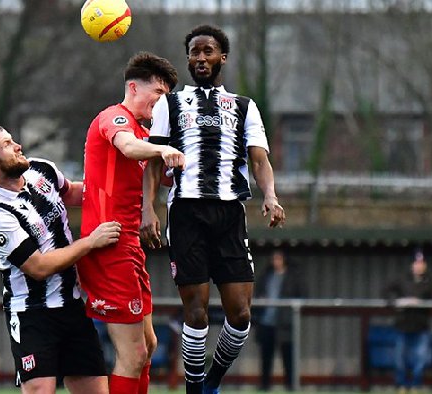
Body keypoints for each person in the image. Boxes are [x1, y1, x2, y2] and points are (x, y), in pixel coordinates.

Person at [140, 25, 286, 394]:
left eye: (208, 51)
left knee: (240, 315)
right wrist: (149, 209)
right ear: (187, 59)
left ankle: (211, 381)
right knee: (197, 312)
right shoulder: (168, 105)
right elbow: (154, 162)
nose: (201, 58)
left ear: (222, 57)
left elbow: (259, 160)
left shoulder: (243, 106)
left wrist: (270, 194)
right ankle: (194, 389)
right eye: (194, 52)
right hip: (187, 212)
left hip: (230, 213)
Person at [0, 124, 121, 394]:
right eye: (7, 145)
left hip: (72, 305)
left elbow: (72, 192)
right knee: (40, 389)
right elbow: (38, 267)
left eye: (13, 140)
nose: (18, 146)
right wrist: (90, 242)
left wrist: (119, 189)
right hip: (32, 314)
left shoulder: (40, 169)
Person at [78, 51, 184, 394]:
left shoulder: (146, 132)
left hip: (130, 247)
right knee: (134, 353)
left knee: (149, 346)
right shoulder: (115, 118)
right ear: (134, 87)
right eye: (159, 94)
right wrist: (160, 151)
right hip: (108, 245)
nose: (162, 102)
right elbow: (127, 147)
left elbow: (156, 173)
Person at [383, 250, 432, 394]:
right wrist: (398, 302)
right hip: (403, 324)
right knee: (399, 358)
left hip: (421, 325)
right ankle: (401, 385)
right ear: (412, 265)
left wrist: (421, 303)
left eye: (422, 263)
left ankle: (416, 385)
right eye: (417, 263)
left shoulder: (429, 282)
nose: (419, 266)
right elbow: (385, 292)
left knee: (421, 359)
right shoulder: (402, 279)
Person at [255, 249, 306, 391]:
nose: (275, 262)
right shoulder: (266, 276)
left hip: (285, 324)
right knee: (266, 357)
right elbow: (257, 292)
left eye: (278, 259)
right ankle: (264, 386)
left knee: (288, 357)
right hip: (266, 322)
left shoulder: (293, 276)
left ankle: (291, 385)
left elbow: (302, 295)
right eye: (274, 259)